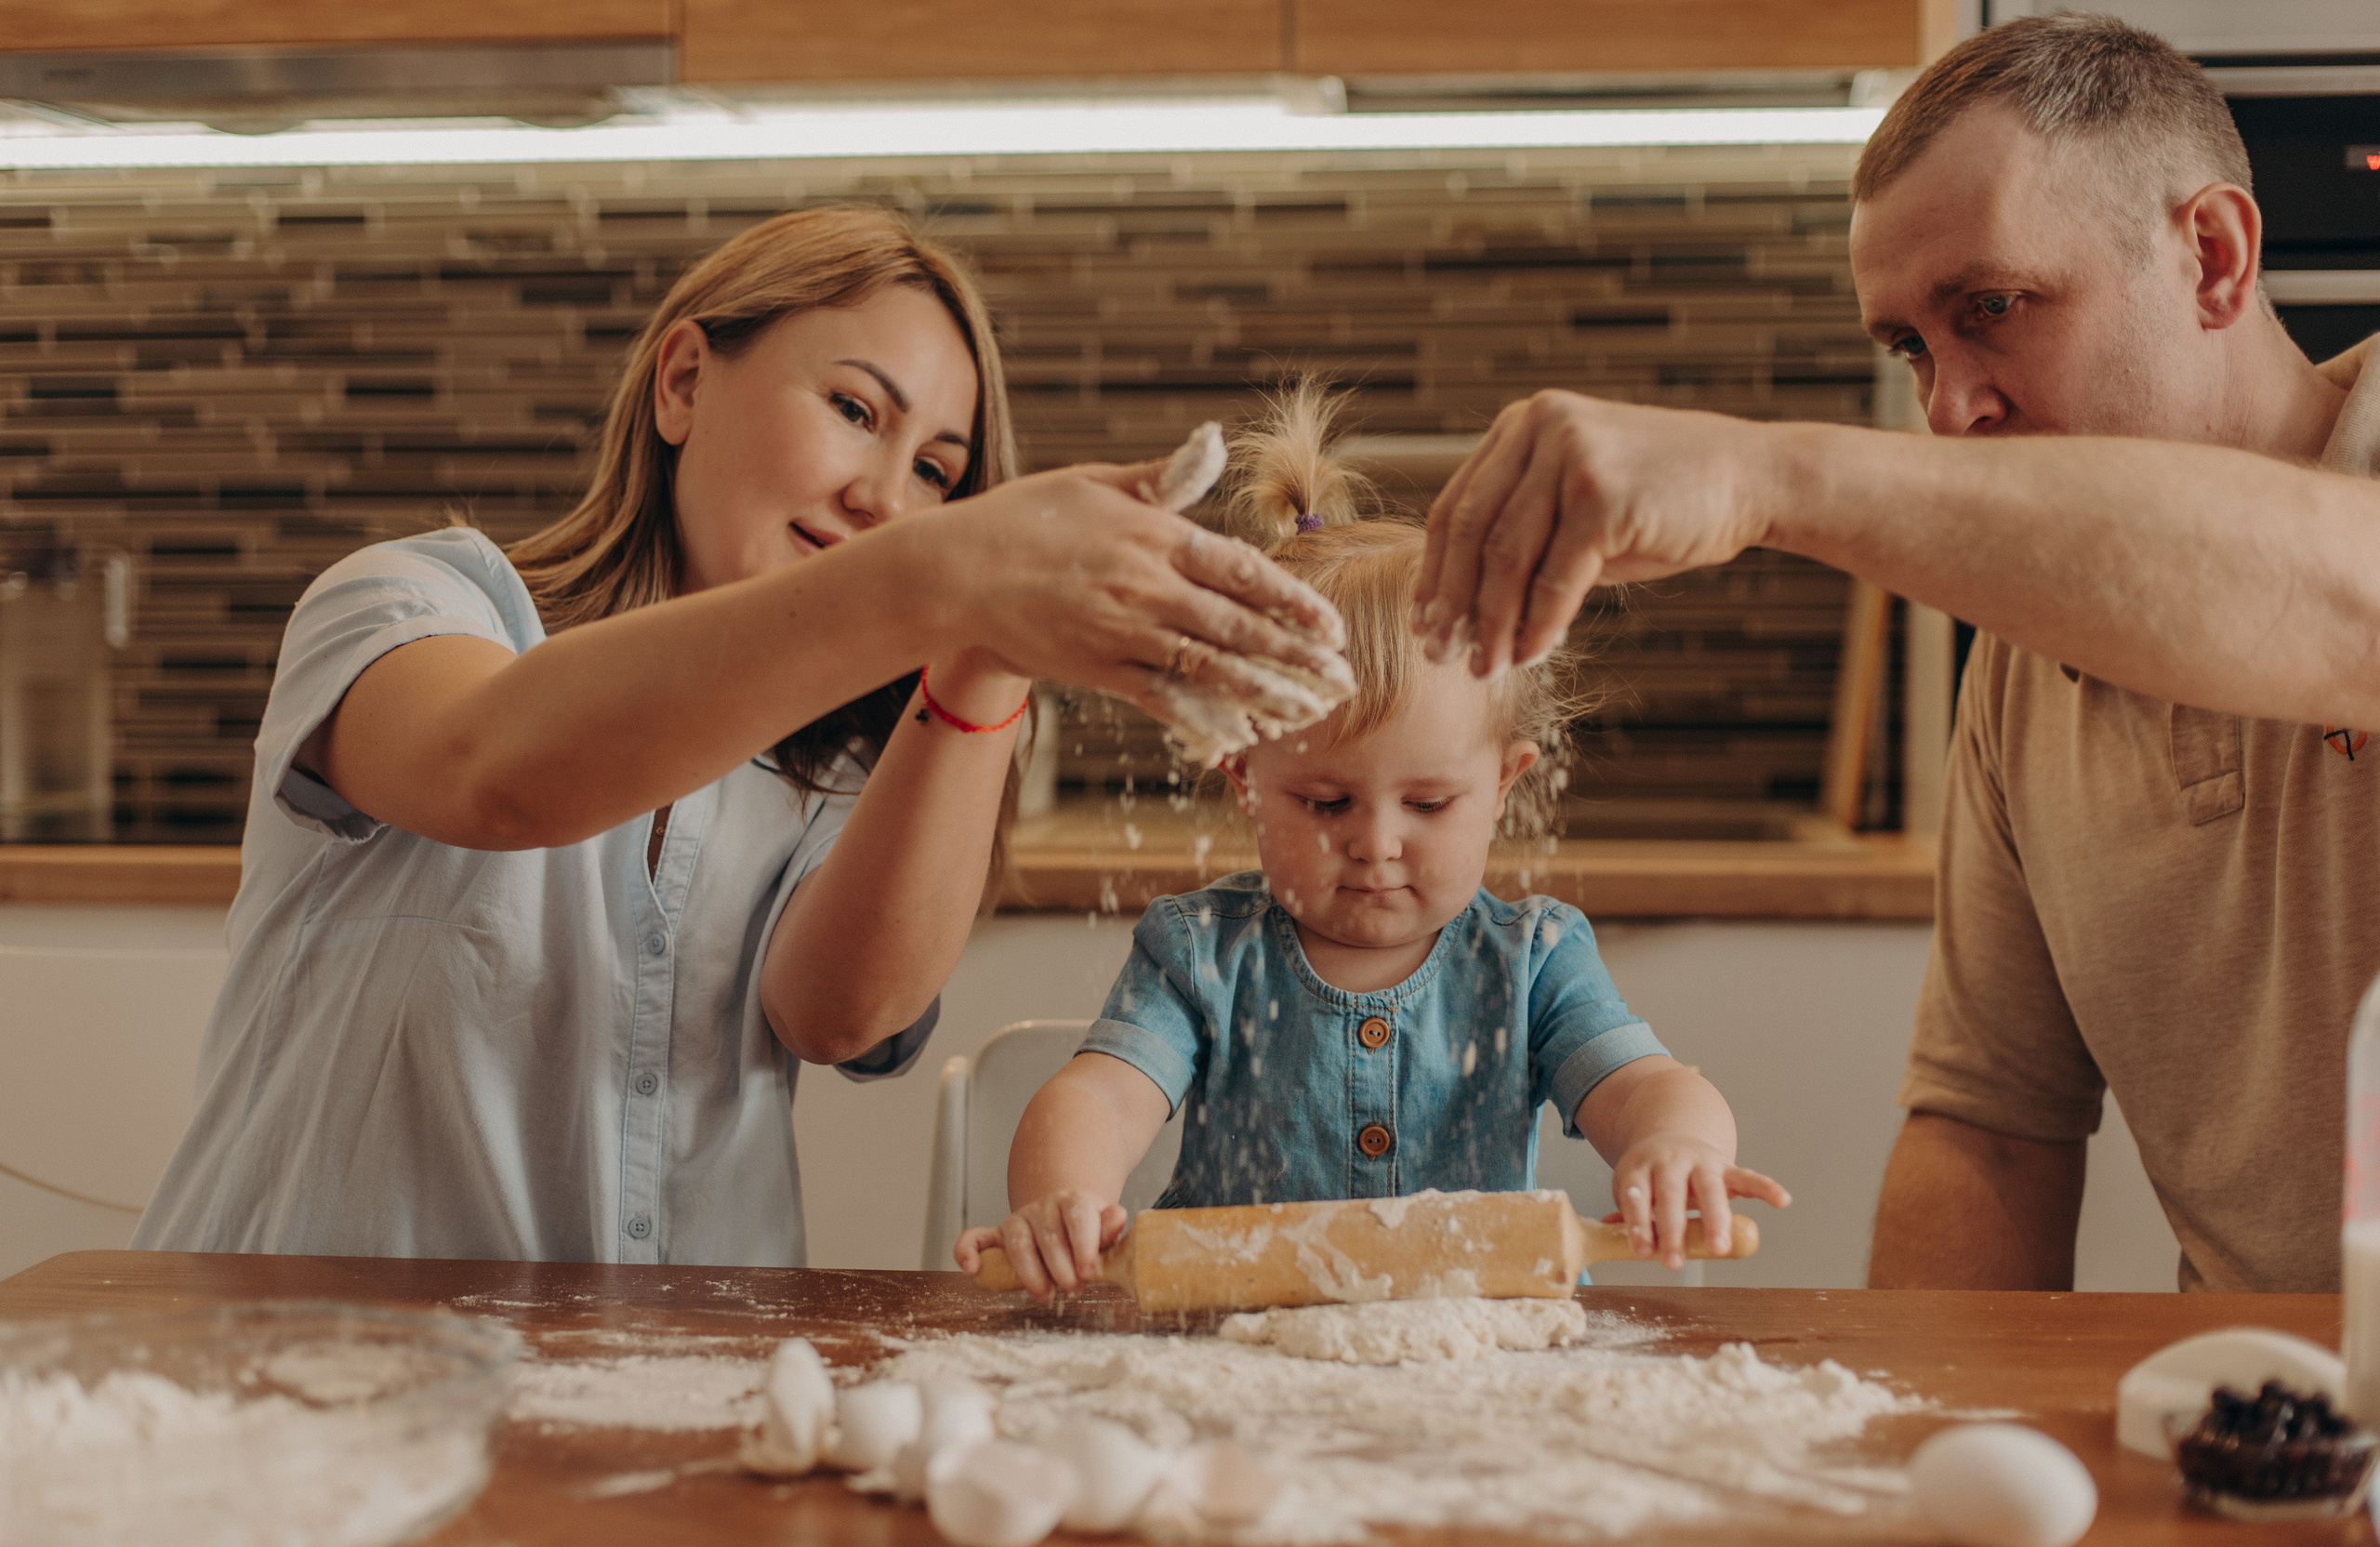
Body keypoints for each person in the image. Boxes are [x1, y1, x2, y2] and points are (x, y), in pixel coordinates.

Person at [132, 205, 1347, 1265]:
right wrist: (944, 572)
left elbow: (842, 1013)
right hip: (305, 1383)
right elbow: (494, 774)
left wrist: (986, 649)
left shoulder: (861, 768)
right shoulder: (409, 605)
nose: (885, 497)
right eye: (854, 409)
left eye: (938, 471)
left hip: (673, 1401)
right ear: (683, 383)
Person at [1409, 17, 2380, 1292]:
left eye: (1995, 309)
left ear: (2211, 254)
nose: (1948, 408)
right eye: (1915, 348)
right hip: (2258, 1421)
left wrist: (1771, 471)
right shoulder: (2028, 658)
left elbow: (2343, 603)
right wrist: (1908, 1432)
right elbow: (1993, 1131)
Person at [952, 385, 1790, 1299]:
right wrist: (1064, 1193)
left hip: (1466, 1363)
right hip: (1229, 1361)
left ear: (1504, 784)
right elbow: (1101, 1099)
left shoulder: (1533, 961)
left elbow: (1645, 1088)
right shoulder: (1201, 951)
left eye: (1429, 802)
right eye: (1323, 801)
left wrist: (1679, 1145)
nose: (1376, 841)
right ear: (1245, 780)